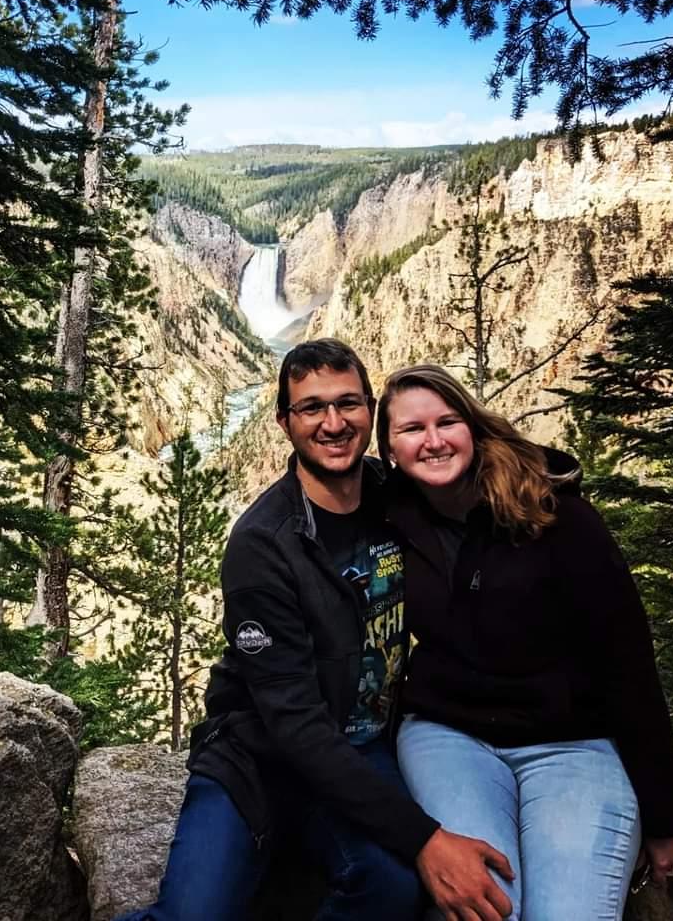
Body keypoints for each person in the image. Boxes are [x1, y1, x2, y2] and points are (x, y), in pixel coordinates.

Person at [118, 340, 515, 921]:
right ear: (284, 421)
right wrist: (424, 837)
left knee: (390, 888)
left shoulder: (395, 495)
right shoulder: (262, 546)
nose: (333, 423)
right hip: (259, 755)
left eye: (348, 404)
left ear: (371, 412)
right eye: (312, 408)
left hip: (362, 745)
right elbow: (293, 722)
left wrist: (557, 483)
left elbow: (480, 477)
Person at [376, 363, 673, 921]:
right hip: (449, 735)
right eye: (411, 429)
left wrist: (667, 818)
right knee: (489, 909)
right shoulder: (387, 513)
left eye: (447, 421)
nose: (432, 441)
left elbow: (627, 661)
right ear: (390, 449)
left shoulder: (552, 512)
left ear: (472, 427)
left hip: (572, 742)